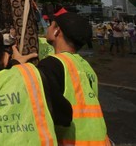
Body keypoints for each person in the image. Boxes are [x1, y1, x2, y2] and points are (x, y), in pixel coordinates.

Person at [38, 12, 111, 145]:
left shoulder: (52, 64)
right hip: (99, 140)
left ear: (57, 31)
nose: (47, 28)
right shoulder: (85, 66)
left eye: (50, 25)